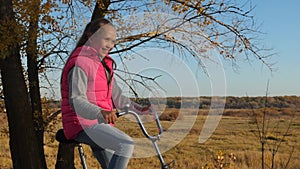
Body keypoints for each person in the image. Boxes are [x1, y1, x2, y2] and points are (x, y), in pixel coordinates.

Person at [61, 18, 150, 169]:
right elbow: (76, 99)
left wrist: (139, 110)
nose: (110, 45)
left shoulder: (105, 65)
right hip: (81, 124)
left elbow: (118, 98)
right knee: (125, 143)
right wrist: (100, 112)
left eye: (113, 41)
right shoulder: (80, 63)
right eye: (106, 39)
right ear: (91, 36)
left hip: (98, 124)